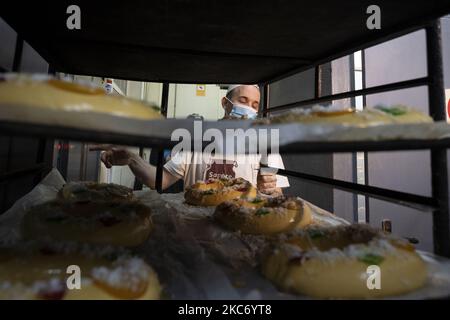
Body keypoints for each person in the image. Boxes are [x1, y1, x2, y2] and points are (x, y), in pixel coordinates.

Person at [93, 84, 289, 195]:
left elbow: (278, 193)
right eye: (243, 101)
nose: (249, 109)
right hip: (196, 227)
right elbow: (160, 181)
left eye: (255, 105)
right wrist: (132, 159)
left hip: (243, 227)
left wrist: (270, 189)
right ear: (225, 103)